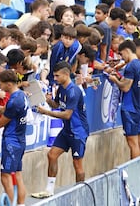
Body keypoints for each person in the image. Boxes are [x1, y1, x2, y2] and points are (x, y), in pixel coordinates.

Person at [33, 61, 89, 198]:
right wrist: (46, 99)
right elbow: (57, 104)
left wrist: (45, 112)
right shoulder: (61, 89)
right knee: (52, 155)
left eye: (57, 76)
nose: (55, 79)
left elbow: (67, 114)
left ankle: (80, 194)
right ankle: (49, 190)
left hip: (78, 132)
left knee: (77, 164)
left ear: (65, 74)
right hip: (67, 131)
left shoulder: (73, 91)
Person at [108, 40, 140, 159]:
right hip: (139, 105)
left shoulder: (131, 66)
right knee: (139, 139)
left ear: (126, 50)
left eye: (121, 54)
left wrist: (115, 80)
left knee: (132, 143)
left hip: (130, 107)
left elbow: (126, 87)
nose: (122, 57)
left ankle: (135, 170)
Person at [0, 69, 28, 205]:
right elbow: (5, 110)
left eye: (0, 84)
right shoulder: (21, 95)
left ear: (8, 84)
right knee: (18, 174)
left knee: (6, 175)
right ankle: (21, 204)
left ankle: (11, 204)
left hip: (11, 141)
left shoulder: (14, 101)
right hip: (20, 140)